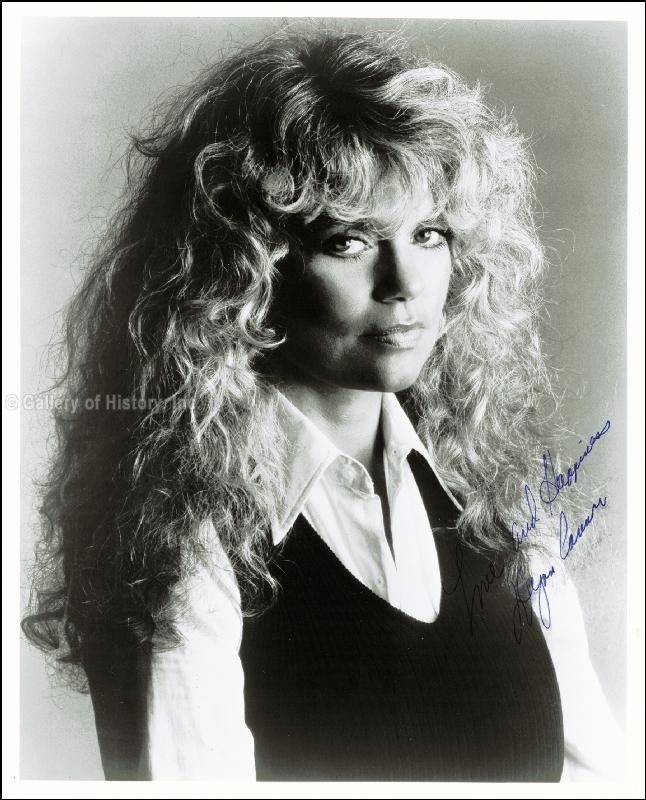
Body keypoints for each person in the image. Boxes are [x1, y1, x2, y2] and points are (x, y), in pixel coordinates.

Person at [22, 28, 622, 782]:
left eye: (429, 233)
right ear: (245, 272)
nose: (403, 282)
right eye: (349, 241)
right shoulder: (187, 536)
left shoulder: (502, 512)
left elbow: (599, 778)